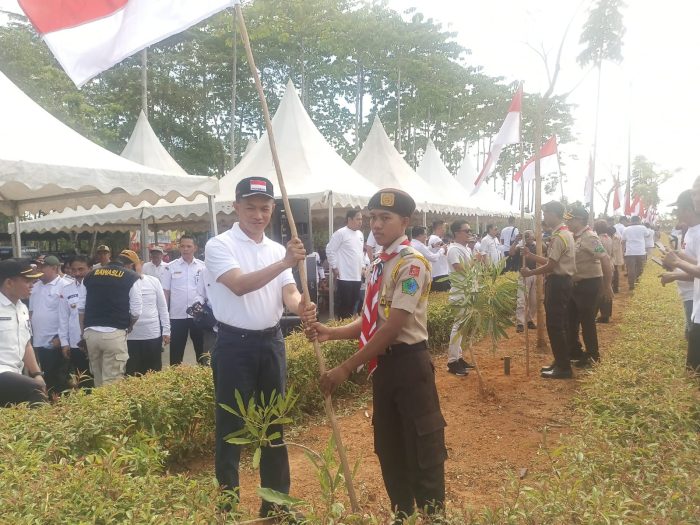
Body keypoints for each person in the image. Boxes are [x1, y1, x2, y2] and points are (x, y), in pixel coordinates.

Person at [304, 188, 446, 521]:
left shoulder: (412, 265)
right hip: (384, 367)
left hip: (410, 365)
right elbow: (372, 320)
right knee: (390, 445)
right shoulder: (380, 264)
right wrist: (332, 332)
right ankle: (402, 512)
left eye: (385, 218)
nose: (377, 225)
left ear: (405, 222)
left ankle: (432, 516)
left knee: (422, 445)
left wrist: (345, 368)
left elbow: (393, 326)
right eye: (373, 218)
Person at [204, 176, 312, 518]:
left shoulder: (276, 249)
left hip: (272, 343)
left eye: (264, 208)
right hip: (234, 345)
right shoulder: (219, 245)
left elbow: (288, 292)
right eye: (250, 207)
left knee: (273, 425)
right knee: (231, 426)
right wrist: (284, 262)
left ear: (273, 210)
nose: (257, 214)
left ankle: (276, 506)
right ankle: (228, 507)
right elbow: (238, 285)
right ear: (235, 208)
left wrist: (301, 307)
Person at [521, 201, 576, 379]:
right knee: (560, 325)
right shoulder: (564, 234)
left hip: (558, 283)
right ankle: (560, 361)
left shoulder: (559, 236)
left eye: (546, 214)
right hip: (562, 282)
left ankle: (564, 367)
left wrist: (530, 272)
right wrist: (531, 256)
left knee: (555, 325)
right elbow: (552, 261)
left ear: (553, 214)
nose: (544, 217)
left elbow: (552, 265)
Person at [80, 252, 143, 387]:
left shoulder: (90, 276)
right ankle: (109, 408)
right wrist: (129, 325)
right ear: (130, 265)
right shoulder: (131, 277)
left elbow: (80, 309)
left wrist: (83, 332)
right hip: (114, 333)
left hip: (91, 334)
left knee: (98, 379)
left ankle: (97, 407)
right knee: (112, 382)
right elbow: (136, 311)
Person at [565, 206, 614, 368]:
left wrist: (607, 285)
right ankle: (576, 352)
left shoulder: (590, 237)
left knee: (587, 322)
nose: (568, 222)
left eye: (570, 219)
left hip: (589, 285)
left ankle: (593, 355)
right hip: (576, 285)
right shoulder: (575, 237)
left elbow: (605, 259)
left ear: (579, 220)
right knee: (571, 320)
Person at [663, 177, 700, 371]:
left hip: (693, 296)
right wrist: (680, 256)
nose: (676, 213)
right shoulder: (692, 231)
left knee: (693, 365)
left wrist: (675, 269)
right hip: (694, 295)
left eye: (696, 193)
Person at [0, 259, 47, 407]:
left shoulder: (22, 308)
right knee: (35, 390)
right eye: (27, 281)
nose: (32, 285)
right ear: (9, 283)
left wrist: (37, 374)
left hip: (14, 373)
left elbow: (26, 344)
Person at [119, 250, 170, 376]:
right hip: (129, 336)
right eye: (124, 264)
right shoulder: (118, 283)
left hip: (151, 334)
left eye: (131, 264)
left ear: (140, 263)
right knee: (131, 373)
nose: (128, 267)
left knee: (153, 373)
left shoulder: (153, 281)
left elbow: (163, 307)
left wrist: (167, 331)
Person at [29, 255, 70, 397]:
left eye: (42, 267)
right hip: (38, 340)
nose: (38, 269)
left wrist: (61, 337)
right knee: (42, 377)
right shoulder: (35, 286)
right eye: (38, 266)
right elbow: (31, 312)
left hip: (54, 340)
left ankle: (60, 408)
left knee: (57, 377)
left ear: (54, 268)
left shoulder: (65, 286)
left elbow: (69, 315)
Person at [162, 235, 206, 365]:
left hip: (198, 315)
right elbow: (166, 292)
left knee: (202, 351)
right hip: (177, 316)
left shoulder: (203, 267)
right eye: (182, 246)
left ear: (195, 248)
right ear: (179, 247)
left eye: (189, 246)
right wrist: (165, 317)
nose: (185, 249)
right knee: (176, 352)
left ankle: (203, 378)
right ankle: (175, 380)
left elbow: (207, 291)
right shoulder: (170, 267)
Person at [446, 220, 476, 376]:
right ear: (457, 232)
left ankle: (458, 357)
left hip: (467, 291)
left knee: (463, 328)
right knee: (458, 327)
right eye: (467, 231)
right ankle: (452, 362)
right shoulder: (453, 249)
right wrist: (475, 262)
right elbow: (460, 269)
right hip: (459, 293)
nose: (469, 234)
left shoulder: (465, 248)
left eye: (470, 231)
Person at [58, 255, 93, 388]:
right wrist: (64, 343)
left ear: (90, 268)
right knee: (83, 379)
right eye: (74, 270)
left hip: (96, 340)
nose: (77, 273)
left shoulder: (99, 287)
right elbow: (63, 318)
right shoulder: (67, 290)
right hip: (76, 343)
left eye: (81, 269)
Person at [326, 209, 365, 319]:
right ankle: (341, 330)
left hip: (357, 276)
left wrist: (363, 266)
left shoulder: (360, 234)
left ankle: (349, 330)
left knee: (354, 305)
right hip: (344, 276)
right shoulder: (340, 233)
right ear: (349, 219)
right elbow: (330, 250)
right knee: (344, 306)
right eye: (358, 219)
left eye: (361, 219)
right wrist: (334, 267)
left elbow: (360, 253)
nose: (360, 221)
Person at [511, 230, 537, 333]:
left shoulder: (537, 246)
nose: (527, 238)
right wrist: (515, 241)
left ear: (533, 237)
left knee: (533, 301)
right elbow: (511, 252)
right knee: (521, 299)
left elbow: (545, 250)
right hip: (523, 275)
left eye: (529, 236)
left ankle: (529, 320)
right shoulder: (520, 248)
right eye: (525, 236)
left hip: (534, 274)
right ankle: (520, 323)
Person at [595, 221, 614, 323]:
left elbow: (600, 255)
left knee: (601, 291)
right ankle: (606, 314)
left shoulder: (598, 239)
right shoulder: (609, 238)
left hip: (602, 266)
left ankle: (603, 315)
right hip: (609, 264)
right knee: (608, 288)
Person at [621, 216, 647, 290]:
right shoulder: (643, 228)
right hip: (641, 251)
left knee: (630, 269)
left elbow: (623, 241)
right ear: (639, 220)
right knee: (640, 268)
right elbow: (647, 235)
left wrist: (622, 252)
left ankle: (631, 285)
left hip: (630, 252)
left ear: (631, 221)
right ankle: (637, 280)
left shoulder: (626, 229)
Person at [428, 220, 450, 292]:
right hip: (440, 273)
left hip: (438, 272)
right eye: (444, 228)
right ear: (439, 228)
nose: (445, 230)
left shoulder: (432, 238)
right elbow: (446, 252)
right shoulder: (436, 239)